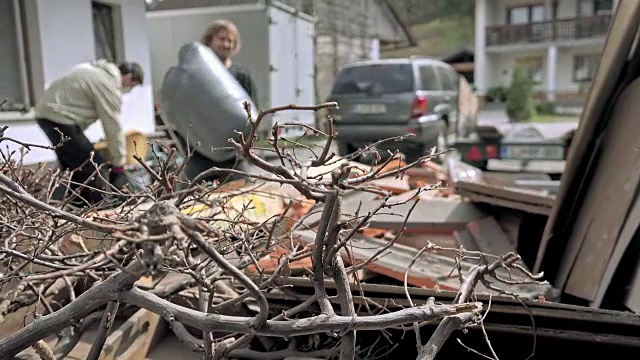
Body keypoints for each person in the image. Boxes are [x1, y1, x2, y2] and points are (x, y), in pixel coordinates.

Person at [35, 59, 144, 205]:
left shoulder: (93, 70)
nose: (129, 90)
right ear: (129, 78)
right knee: (94, 167)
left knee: (74, 168)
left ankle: (78, 210)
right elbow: (112, 126)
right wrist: (119, 163)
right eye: (133, 86)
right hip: (58, 117)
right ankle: (97, 211)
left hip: (46, 114)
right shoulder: (107, 85)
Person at [175, 20, 257, 184]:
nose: (226, 44)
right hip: (199, 154)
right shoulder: (195, 77)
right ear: (210, 40)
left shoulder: (242, 76)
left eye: (231, 40)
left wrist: (249, 145)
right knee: (187, 200)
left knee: (245, 197)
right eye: (222, 39)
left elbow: (253, 117)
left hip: (233, 154)